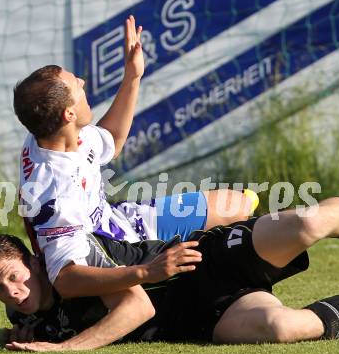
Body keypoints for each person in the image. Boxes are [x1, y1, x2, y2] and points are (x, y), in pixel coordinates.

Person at [13, 15, 256, 295]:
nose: (82, 81)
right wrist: (144, 272)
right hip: (116, 252)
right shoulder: (57, 193)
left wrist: (132, 76)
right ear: (68, 114)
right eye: (76, 85)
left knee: (236, 205)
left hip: (119, 219)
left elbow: (112, 141)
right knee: (226, 237)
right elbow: (65, 278)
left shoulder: (51, 134)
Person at [0, 193, 339, 351]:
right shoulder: (23, 316)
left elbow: (137, 309)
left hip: (204, 259)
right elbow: (23, 321)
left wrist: (64, 348)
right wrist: (23, 332)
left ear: (37, 263)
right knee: (282, 328)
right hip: (201, 318)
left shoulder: (76, 262)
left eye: (15, 275)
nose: (12, 291)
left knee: (308, 224)